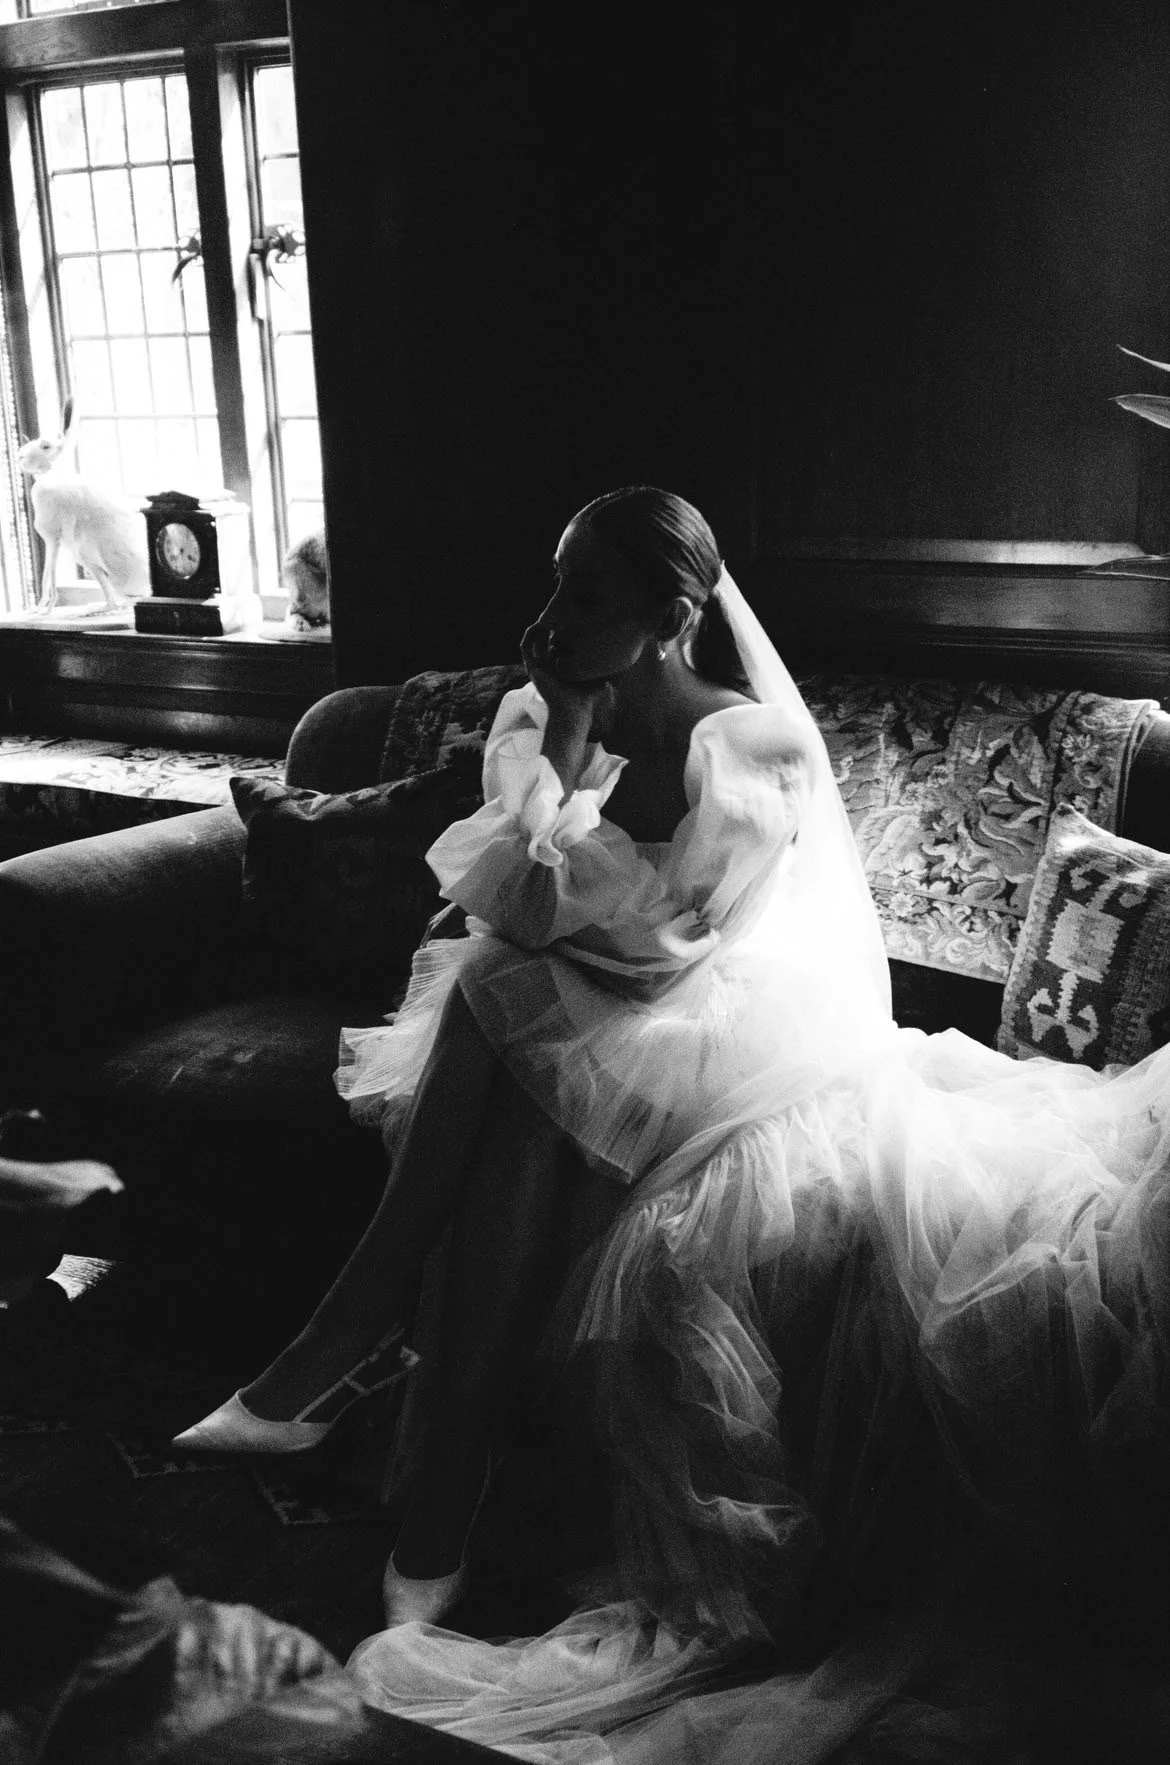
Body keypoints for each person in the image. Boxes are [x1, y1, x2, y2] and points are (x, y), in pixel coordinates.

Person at [172, 489, 1170, 1761]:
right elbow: (521, 910)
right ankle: (434, 1478)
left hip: (732, 1028)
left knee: (498, 1002)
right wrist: (569, 736)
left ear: (673, 617)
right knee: (501, 1010)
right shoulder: (537, 714)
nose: (548, 620)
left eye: (586, 594)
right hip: (584, 1011)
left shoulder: (755, 748)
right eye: (554, 581)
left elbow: (664, 946)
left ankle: (352, 1374)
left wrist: (560, 865)